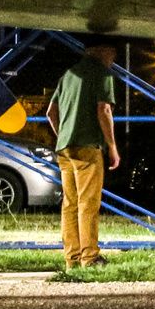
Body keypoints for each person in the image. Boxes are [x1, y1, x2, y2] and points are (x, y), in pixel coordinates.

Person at [46, 42, 120, 268]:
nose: (113, 57)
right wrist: (112, 146)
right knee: (88, 203)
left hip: (65, 147)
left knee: (70, 204)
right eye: (112, 52)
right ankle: (90, 258)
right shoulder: (102, 74)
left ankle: (72, 259)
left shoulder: (69, 75)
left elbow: (51, 112)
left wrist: (64, 134)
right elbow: (103, 110)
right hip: (88, 145)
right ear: (102, 50)